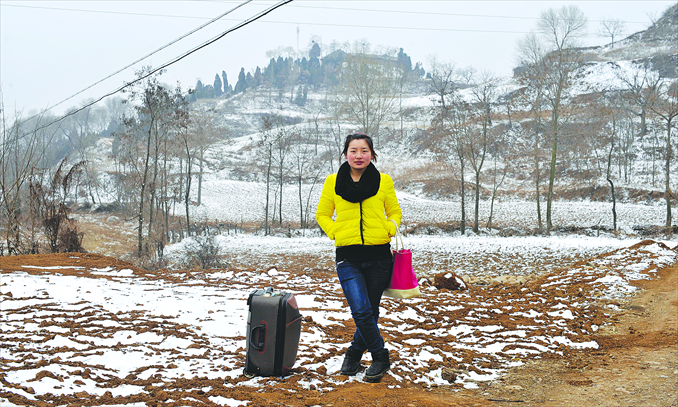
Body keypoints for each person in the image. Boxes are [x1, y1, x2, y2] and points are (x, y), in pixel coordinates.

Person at [316, 133, 402, 383]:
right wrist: (335, 232)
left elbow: (394, 211)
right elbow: (322, 214)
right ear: (345, 154)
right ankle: (380, 356)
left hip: (379, 257)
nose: (358, 155)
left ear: (372, 155)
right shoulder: (332, 182)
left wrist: (390, 227)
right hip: (348, 257)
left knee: (370, 311)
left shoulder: (383, 181)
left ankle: (353, 354)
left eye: (364, 151)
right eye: (353, 150)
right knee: (361, 310)